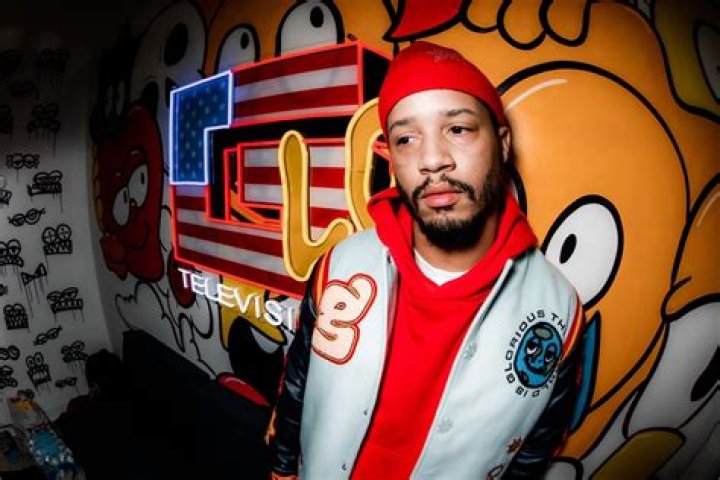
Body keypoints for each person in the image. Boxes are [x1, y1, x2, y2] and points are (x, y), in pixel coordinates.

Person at [269, 41, 584, 479]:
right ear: (391, 158)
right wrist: (282, 472)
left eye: (458, 129)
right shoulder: (339, 265)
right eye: (406, 138)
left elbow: (537, 448)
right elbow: (296, 389)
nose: (433, 160)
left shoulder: (560, 310)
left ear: (502, 143)